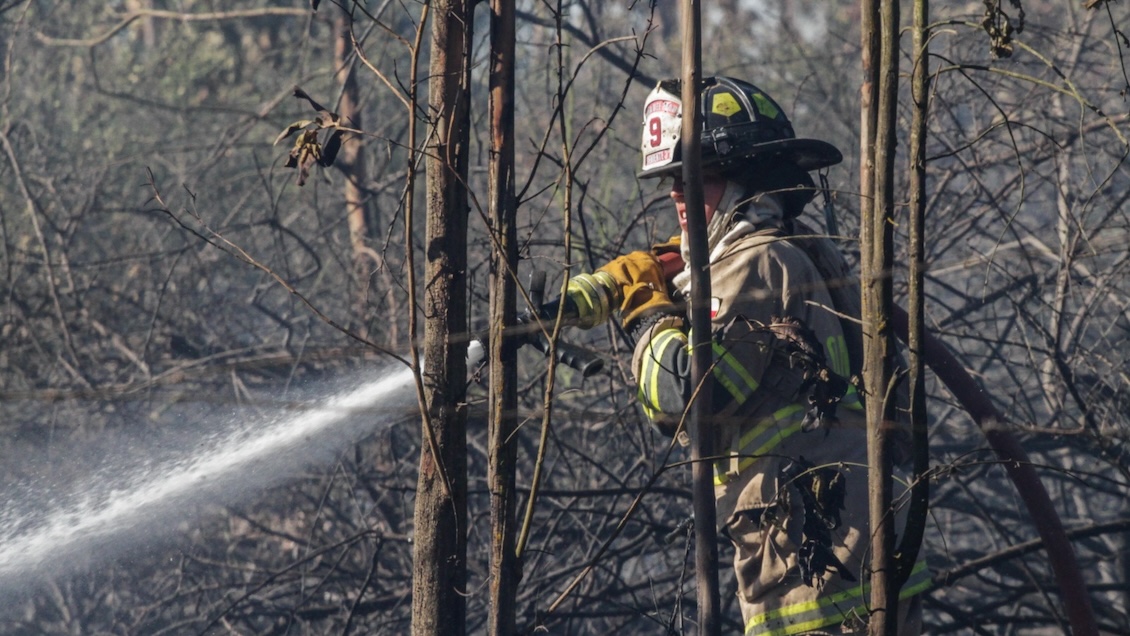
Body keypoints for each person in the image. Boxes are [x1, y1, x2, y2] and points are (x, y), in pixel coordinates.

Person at [562, 77, 930, 635]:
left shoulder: (753, 264)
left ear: (743, 182)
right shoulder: (799, 250)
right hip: (858, 551)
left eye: (696, 179)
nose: (676, 196)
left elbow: (684, 400)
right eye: (670, 183)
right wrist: (679, 272)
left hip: (815, 569)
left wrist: (647, 309)